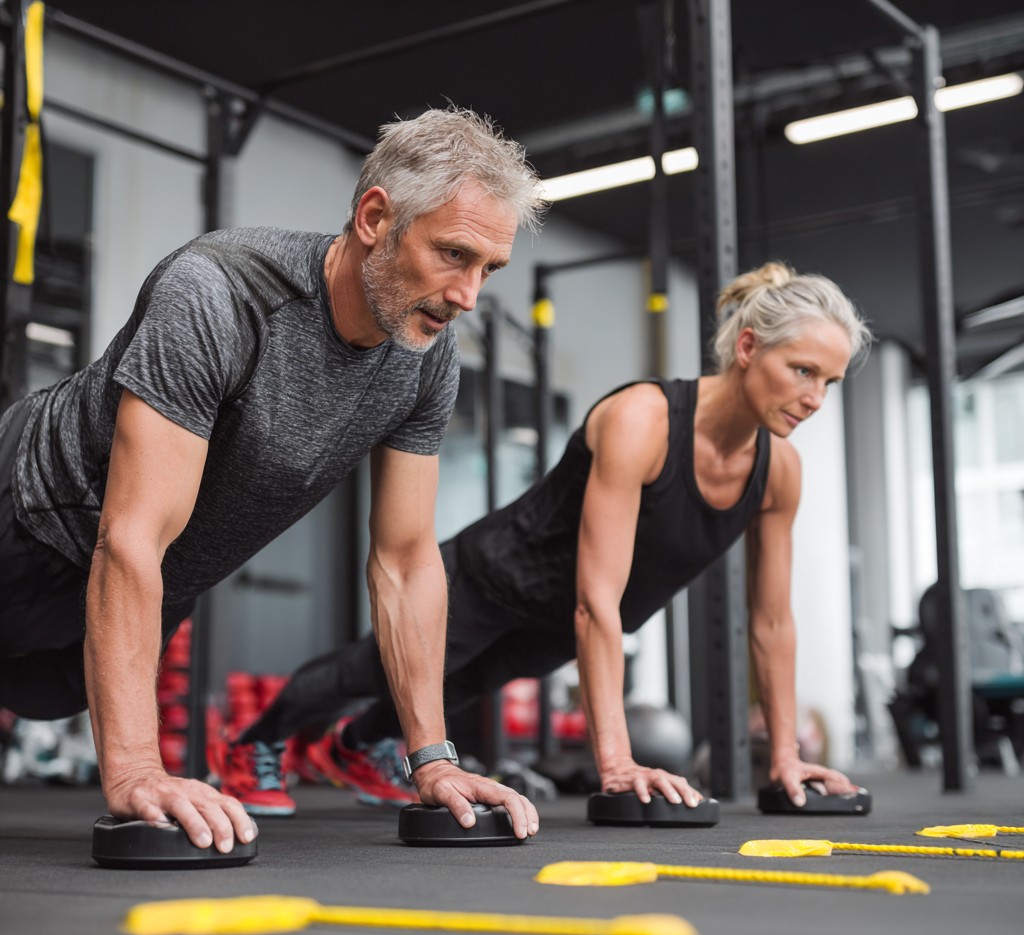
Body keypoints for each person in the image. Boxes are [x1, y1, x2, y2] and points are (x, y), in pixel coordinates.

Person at [0, 107, 545, 849]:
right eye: (453, 254)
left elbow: (407, 560)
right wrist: (133, 772)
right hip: (28, 515)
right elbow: (129, 536)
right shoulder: (218, 294)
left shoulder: (425, 357)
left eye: (489, 269)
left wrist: (432, 761)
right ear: (375, 218)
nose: (468, 296)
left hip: (154, 584)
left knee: (44, 694)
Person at [235, 262, 870, 813]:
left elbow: (772, 622)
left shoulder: (778, 472)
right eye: (803, 371)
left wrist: (786, 758)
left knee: (464, 684)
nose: (815, 398)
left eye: (829, 383)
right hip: (495, 575)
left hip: (557, 624)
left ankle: (355, 748)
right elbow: (599, 600)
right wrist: (616, 764)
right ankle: (254, 743)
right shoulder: (642, 422)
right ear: (749, 347)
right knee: (377, 667)